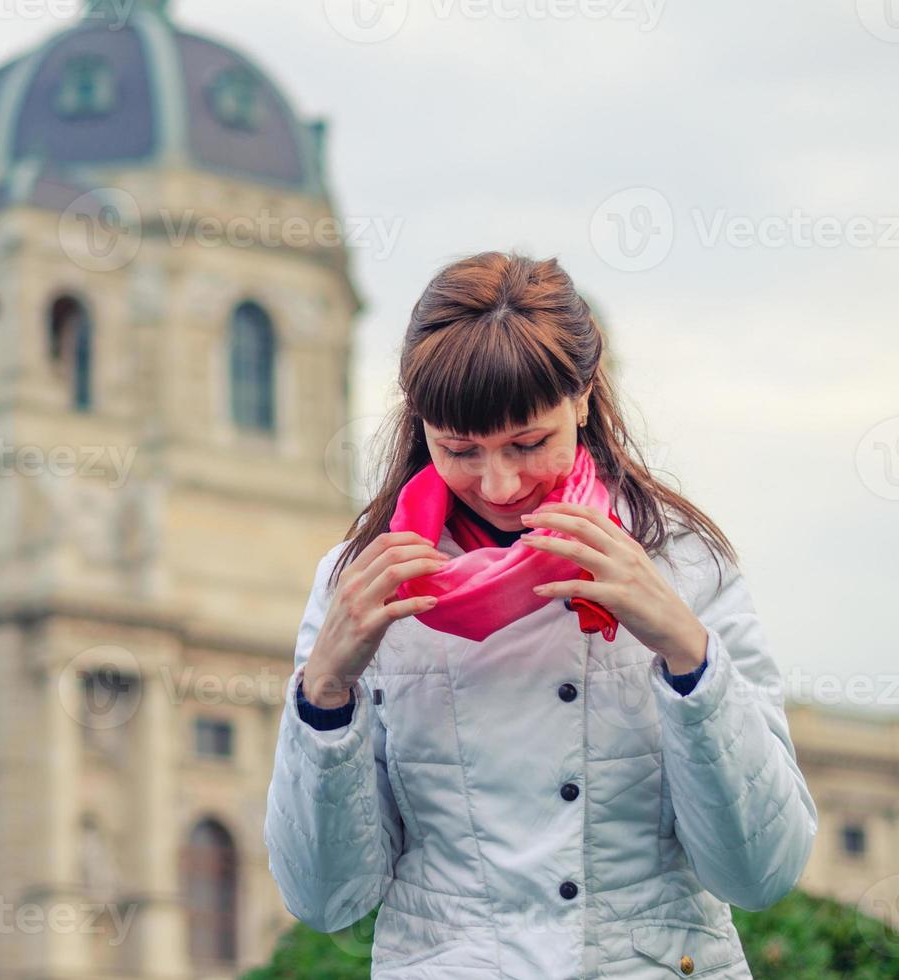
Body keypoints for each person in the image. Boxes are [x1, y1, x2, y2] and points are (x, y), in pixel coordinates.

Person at [262, 251, 817, 979]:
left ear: (583, 397)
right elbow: (326, 899)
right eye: (460, 449)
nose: (499, 483)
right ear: (419, 421)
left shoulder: (683, 563)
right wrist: (324, 696)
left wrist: (688, 654)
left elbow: (762, 873)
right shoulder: (360, 584)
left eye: (529, 444)